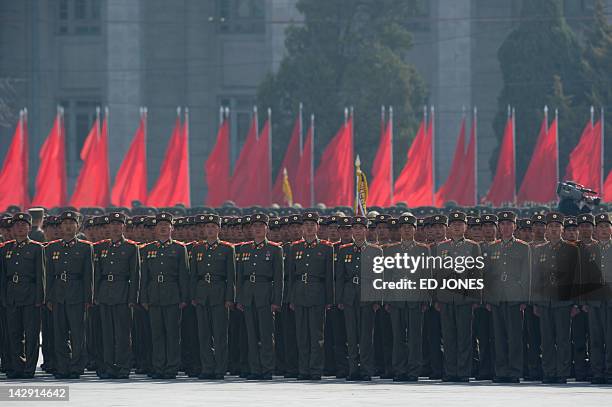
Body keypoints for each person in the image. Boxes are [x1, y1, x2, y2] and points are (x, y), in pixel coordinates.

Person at [140, 213, 189, 379]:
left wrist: (183, 297)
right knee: (157, 333)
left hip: (172, 294)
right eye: (160, 225)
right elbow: (144, 276)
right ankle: (159, 366)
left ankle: (171, 367)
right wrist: (144, 298)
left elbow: (184, 275)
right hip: (154, 295)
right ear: (155, 229)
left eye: (166, 225)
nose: (162, 228)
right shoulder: (148, 249)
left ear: (172, 228)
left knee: (172, 333)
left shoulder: (179, 248)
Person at [482, 211, 530, 383]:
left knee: (515, 336)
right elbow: (487, 275)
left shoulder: (523, 247)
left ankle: (515, 371)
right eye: (502, 224)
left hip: (515, 298)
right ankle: (501, 371)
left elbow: (526, 274)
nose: (506, 227)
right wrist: (488, 298)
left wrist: (524, 298)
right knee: (498, 336)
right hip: (496, 298)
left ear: (514, 226)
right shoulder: (492, 247)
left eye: (509, 224)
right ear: (499, 227)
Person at [45, 210, 94, 379]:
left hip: (77, 294)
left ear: (77, 226)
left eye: (71, 223)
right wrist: (49, 297)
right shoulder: (52, 248)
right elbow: (49, 275)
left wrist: (89, 297)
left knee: (78, 333)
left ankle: (76, 366)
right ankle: (62, 366)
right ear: (60, 226)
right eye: (64, 223)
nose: (68, 226)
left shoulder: (85, 247)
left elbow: (89, 274)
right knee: (59, 333)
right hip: (58, 294)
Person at [532, 212, 579, 384]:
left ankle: (562, 372)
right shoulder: (539, 250)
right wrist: (536, 302)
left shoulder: (572, 249)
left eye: (556, 227)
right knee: (547, 339)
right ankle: (549, 371)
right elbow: (535, 278)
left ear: (562, 230)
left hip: (564, 302)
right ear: (546, 229)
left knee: (563, 339)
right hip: (545, 302)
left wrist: (575, 303)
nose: (553, 230)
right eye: (550, 226)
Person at [435, 212, 482, 382]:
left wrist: (475, 298)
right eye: (454, 224)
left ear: (465, 227)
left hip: (464, 298)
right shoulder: (441, 247)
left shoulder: (473, 246)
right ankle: (450, 371)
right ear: (449, 227)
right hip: (446, 297)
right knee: (448, 337)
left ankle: (463, 372)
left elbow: (476, 274)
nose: (456, 227)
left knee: (464, 337)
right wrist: (436, 298)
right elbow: (436, 275)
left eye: (460, 224)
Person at [235, 213, 283, 380]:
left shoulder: (275, 249)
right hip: (248, 294)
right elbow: (239, 277)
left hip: (266, 294)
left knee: (266, 334)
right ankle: (255, 368)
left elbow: (278, 278)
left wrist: (277, 300)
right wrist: (239, 298)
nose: (257, 229)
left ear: (266, 229)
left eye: (261, 226)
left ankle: (267, 368)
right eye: (254, 226)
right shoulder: (244, 249)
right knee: (251, 334)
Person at [287, 212, 334, 380]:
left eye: (312, 225)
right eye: (306, 225)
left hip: (318, 293)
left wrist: (329, 299)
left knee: (316, 335)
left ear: (317, 227)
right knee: (301, 335)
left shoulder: (326, 247)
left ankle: (315, 369)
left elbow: (329, 276)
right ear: (302, 228)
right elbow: (291, 276)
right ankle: (303, 369)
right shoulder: (295, 247)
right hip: (299, 293)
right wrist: (291, 298)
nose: (309, 228)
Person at [93, 212, 140, 379]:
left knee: (122, 334)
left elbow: (135, 275)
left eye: (119, 224)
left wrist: (133, 298)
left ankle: (123, 367)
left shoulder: (131, 247)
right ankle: (108, 366)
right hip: (105, 292)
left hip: (123, 292)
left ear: (123, 227)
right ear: (108, 227)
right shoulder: (100, 247)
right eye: (112, 224)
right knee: (106, 333)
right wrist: (96, 295)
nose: (115, 227)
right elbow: (97, 274)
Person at [383, 214, 430, 382]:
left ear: (415, 230)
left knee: (415, 337)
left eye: (410, 227)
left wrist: (426, 299)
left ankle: (413, 370)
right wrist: (386, 299)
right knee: (398, 337)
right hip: (396, 298)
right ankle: (400, 370)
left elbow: (426, 276)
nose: (407, 230)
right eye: (404, 227)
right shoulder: (391, 249)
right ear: (400, 230)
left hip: (415, 299)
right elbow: (386, 276)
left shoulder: (423, 249)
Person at [336, 216, 383, 381]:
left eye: (360, 228)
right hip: (350, 296)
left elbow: (379, 277)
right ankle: (353, 370)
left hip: (368, 296)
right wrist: (340, 299)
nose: (357, 231)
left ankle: (366, 369)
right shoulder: (344, 250)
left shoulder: (376, 251)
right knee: (351, 335)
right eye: (354, 228)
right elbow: (340, 277)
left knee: (366, 336)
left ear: (366, 230)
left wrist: (377, 300)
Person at [190, 214, 236, 380]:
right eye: (207, 227)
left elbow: (231, 276)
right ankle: (207, 367)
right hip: (202, 294)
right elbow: (193, 275)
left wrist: (230, 298)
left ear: (219, 229)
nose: (210, 230)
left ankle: (220, 368)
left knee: (220, 334)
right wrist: (193, 295)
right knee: (204, 334)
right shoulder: (197, 248)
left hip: (219, 293)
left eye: (213, 227)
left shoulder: (226, 249)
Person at [0, 213, 44, 379]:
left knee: (31, 334)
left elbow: (41, 275)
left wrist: (40, 297)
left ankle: (29, 368)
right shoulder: (5, 249)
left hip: (30, 295)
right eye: (16, 225)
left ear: (29, 227)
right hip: (11, 295)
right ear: (12, 228)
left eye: (23, 225)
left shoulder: (36, 248)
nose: (19, 228)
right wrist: (4, 297)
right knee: (13, 333)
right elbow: (3, 276)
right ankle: (16, 366)